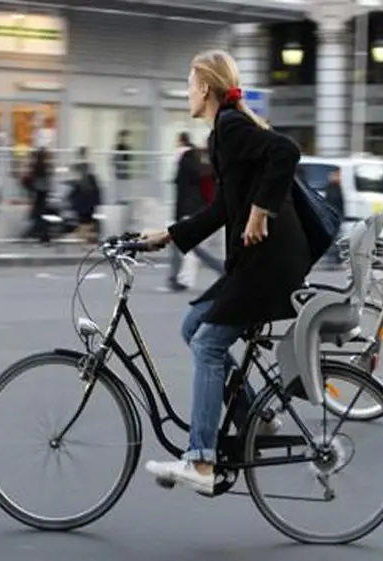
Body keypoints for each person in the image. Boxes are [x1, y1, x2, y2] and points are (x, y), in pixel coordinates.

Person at [139, 49, 312, 494]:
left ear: (206, 88)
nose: (186, 92)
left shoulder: (232, 126)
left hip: (267, 265)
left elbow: (287, 152)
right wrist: (171, 234)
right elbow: (220, 209)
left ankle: (201, 461)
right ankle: (259, 417)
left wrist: (259, 211)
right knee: (192, 325)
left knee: (208, 345)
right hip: (261, 263)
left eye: (189, 83)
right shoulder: (223, 133)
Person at [162, 131, 224, 292]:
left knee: (188, 244)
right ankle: (175, 278)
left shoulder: (188, 158)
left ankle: (221, 269)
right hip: (197, 208)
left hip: (188, 209)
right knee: (186, 244)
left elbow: (182, 185)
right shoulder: (206, 162)